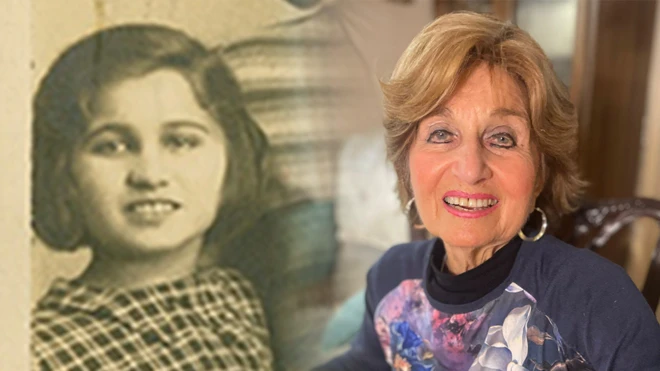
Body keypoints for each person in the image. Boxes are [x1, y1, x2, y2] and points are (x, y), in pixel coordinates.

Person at [319, 12, 660, 371]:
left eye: (502, 138)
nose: (470, 169)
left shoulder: (596, 297)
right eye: (441, 134)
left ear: (541, 171)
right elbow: (363, 362)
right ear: (406, 163)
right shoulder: (390, 278)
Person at [31, 24, 275, 370]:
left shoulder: (235, 299)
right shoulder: (44, 350)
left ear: (232, 157)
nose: (150, 175)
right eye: (111, 146)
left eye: (180, 141)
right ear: (62, 171)